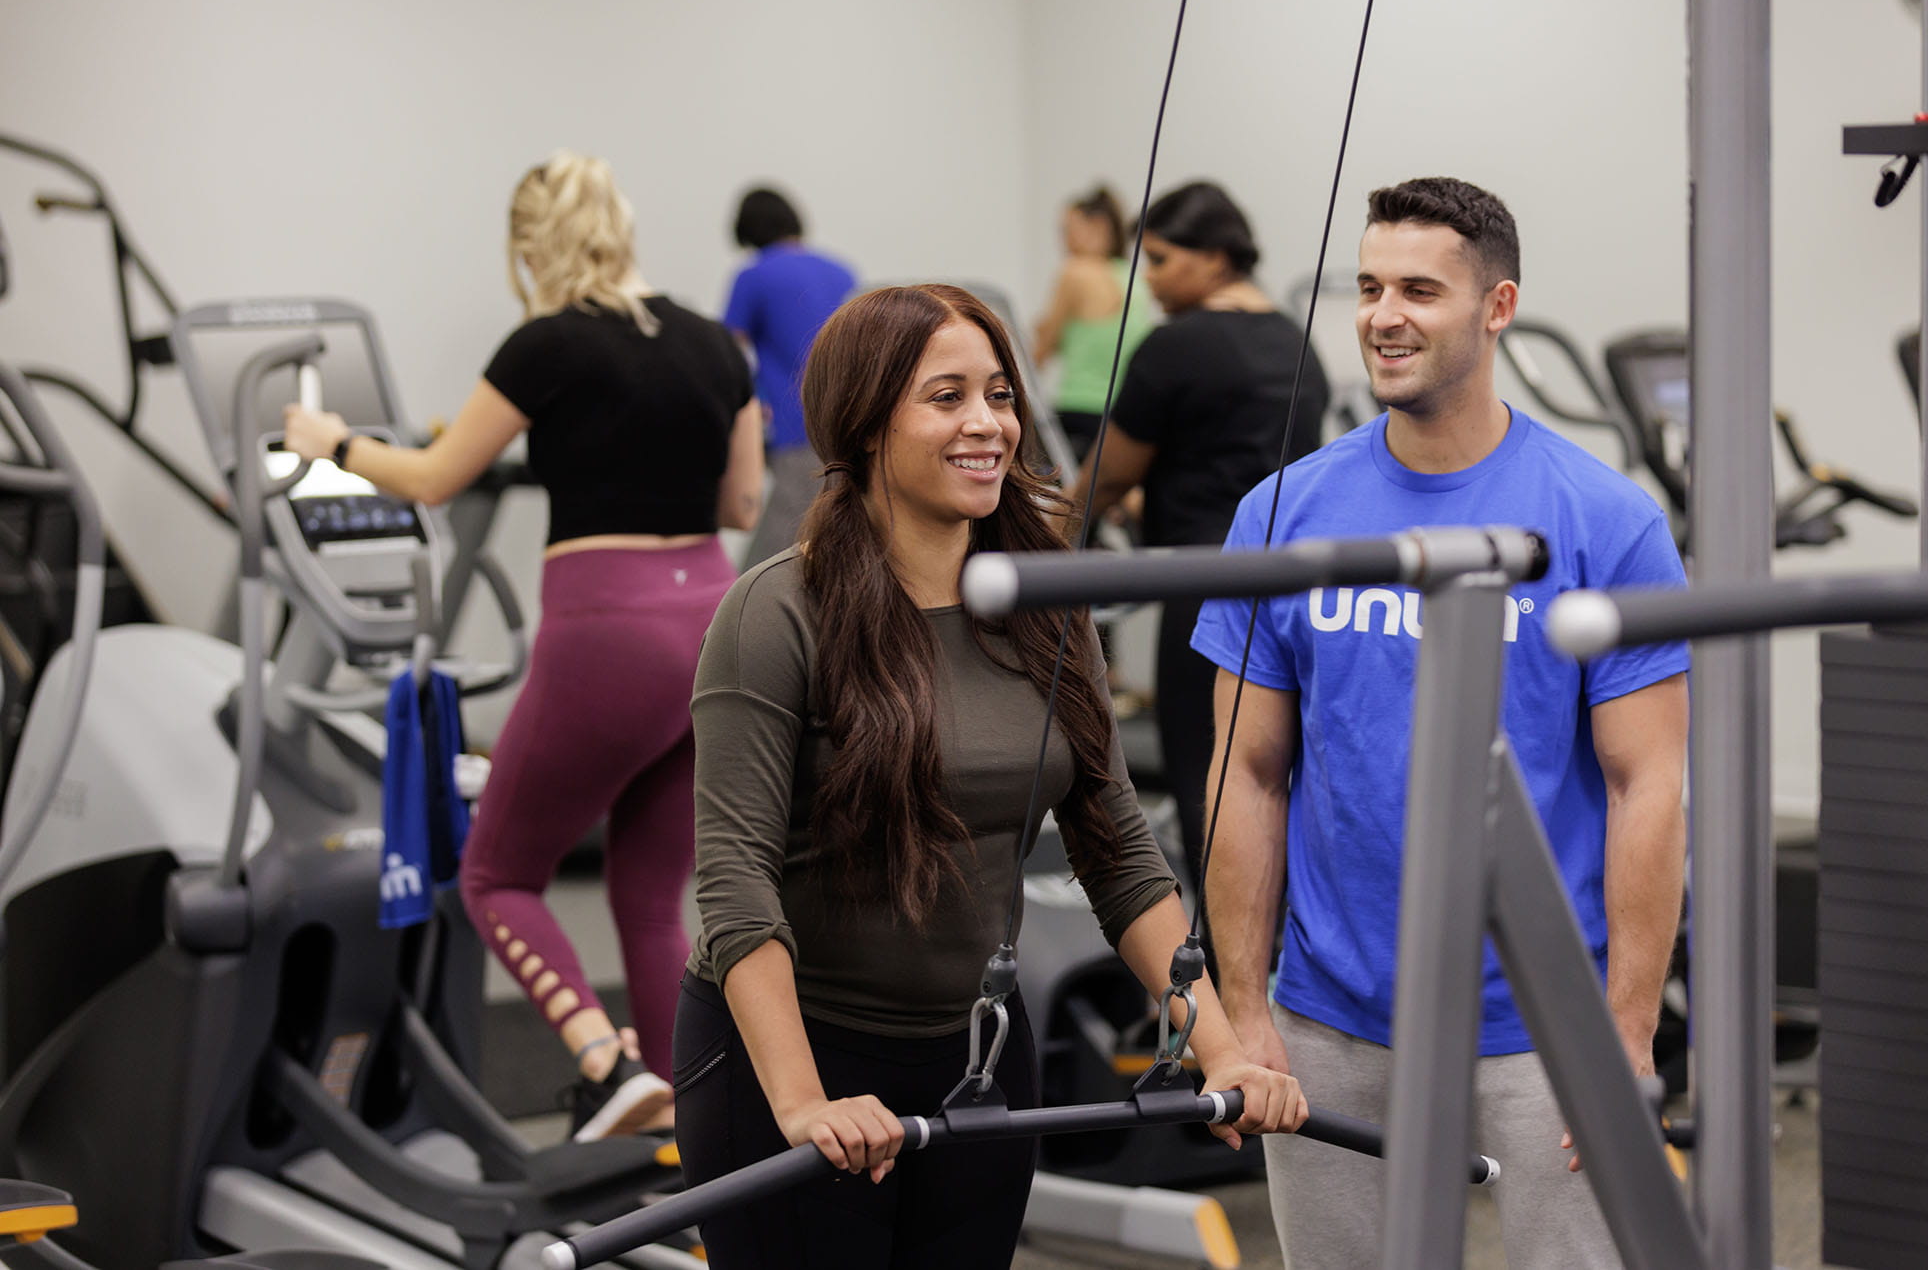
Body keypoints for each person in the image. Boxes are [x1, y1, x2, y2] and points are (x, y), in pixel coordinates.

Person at [674, 283, 1307, 1269]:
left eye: (1000, 393)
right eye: (946, 396)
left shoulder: (1047, 604)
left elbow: (1120, 850)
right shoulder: (776, 611)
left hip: (974, 1056)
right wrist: (803, 1099)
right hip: (794, 1054)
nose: (988, 424)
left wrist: (1218, 1041)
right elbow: (735, 881)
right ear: (866, 423)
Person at [1196, 177, 1689, 1269]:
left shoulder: (1602, 519)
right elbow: (1247, 775)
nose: (1383, 314)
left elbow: (1643, 785)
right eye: (1369, 287)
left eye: (1420, 289)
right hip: (1329, 1015)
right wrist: (1242, 1009)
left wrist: (1626, 1025)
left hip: (1544, 1028)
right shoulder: (1281, 515)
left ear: (1496, 306)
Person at [284, 151, 764, 1140]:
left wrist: (325, 440)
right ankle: (695, 1120)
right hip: (713, 622)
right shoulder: (718, 344)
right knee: (648, 893)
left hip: (607, 629)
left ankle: (603, 1059)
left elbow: (429, 478)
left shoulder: (544, 345)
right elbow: (742, 501)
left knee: (498, 873)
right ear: (621, 226)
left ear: (529, 245)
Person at [1063, 179, 1329, 875]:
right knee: (1277, 783)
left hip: (1205, 594)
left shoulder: (1175, 346)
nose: (1147, 280)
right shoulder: (1294, 343)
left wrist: (1046, 553)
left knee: (1208, 781)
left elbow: (1103, 480)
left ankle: (1214, 968)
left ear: (1216, 258)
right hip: (1294, 591)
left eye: (1160, 260)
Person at [723, 186, 858, 567]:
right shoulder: (842, 271)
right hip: (850, 422)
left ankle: (739, 623)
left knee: (781, 552)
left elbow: (728, 350)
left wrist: (753, 398)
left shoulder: (753, 276)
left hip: (795, 424)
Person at [1031, 184, 1150, 463]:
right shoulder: (1132, 278)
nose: (1064, 241)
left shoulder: (1076, 271)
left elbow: (1041, 351)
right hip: (1121, 414)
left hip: (1079, 409)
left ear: (1097, 226)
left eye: (1068, 230)